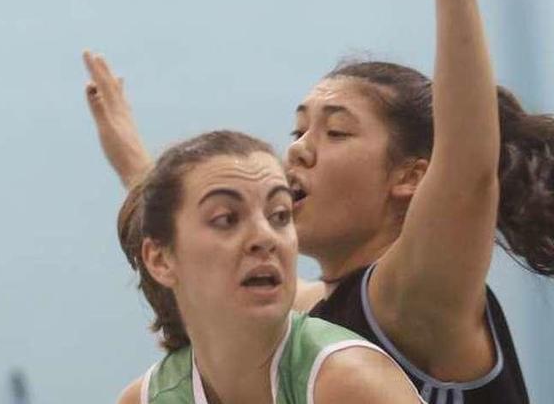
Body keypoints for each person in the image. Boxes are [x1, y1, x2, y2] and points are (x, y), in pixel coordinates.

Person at [85, 0, 554, 403]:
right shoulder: (315, 310)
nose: (299, 150)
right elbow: (209, 268)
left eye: (335, 131)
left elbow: (469, 176)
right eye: (297, 130)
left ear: (410, 177)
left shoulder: (408, 297)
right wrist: (141, 173)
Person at [113, 130, 423, 404]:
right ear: (159, 260)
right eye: (226, 219)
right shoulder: (146, 398)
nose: (264, 237)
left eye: (279, 215)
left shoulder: (349, 381)